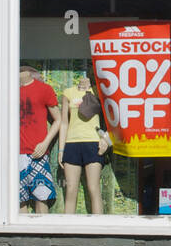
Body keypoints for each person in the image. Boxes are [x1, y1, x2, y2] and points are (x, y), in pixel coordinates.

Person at [59, 74, 107, 215]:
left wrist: (106, 139)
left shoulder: (99, 91)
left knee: (93, 188)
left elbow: (112, 119)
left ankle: (100, 230)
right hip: (72, 143)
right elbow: (64, 122)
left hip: (93, 143)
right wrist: (61, 149)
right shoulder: (68, 93)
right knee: (71, 189)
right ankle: (67, 230)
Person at [19, 65, 61, 213]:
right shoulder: (9, 90)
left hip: (38, 153)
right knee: (18, 202)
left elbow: (58, 119)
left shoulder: (44, 89)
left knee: (42, 199)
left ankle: (43, 235)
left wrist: (45, 143)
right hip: (14, 154)